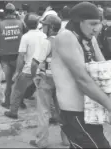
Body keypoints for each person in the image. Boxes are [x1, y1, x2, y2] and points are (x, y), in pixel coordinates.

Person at [52, 2, 111, 148]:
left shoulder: (90, 39)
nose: (96, 29)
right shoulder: (66, 37)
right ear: (79, 21)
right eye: (92, 24)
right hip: (72, 111)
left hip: (88, 109)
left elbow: (103, 69)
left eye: (98, 24)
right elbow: (82, 79)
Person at [29, 14, 69, 148]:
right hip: (61, 80)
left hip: (46, 80)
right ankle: (67, 140)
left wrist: (34, 77)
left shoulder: (45, 42)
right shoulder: (63, 41)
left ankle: (41, 142)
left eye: (44, 25)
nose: (42, 27)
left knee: (44, 112)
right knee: (63, 111)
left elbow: (35, 63)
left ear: (50, 27)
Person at [4, 13, 47, 119]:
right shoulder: (44, 35)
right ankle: (52, 115)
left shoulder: (26, 37)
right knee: (45, 93)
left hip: (28, 69)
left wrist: (17, 72)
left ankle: (13, 112)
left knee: (17, 91)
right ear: (37, 24)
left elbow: (21, 55)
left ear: (26, 25)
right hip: (41, 69)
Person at [0, 3, 26, 109]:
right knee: (19, 81)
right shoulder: (21, 24)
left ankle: (7, 102)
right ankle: (20, 102)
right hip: (19, 57)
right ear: (14, 12)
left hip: (5, 57)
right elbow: (26, 38)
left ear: (5, 12)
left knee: (9, 81)